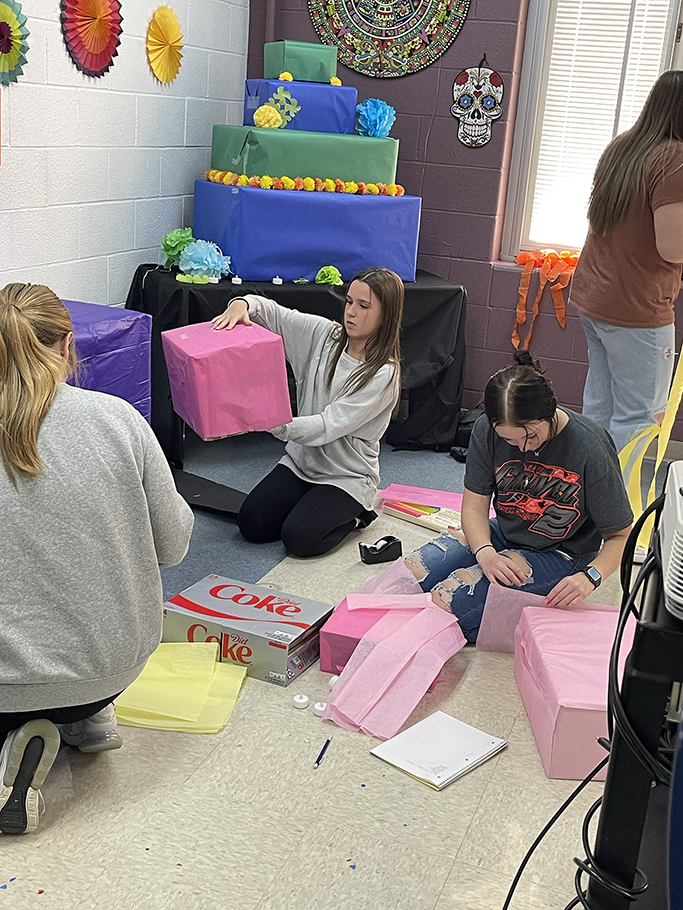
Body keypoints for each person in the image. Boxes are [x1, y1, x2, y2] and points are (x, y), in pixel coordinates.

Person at [0, 283, 194, 835]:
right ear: (67, 348)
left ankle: (21, 734)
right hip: (112, 668)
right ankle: (84, 716)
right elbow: (174, 545)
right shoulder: (119, 419)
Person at [404, 352, 633, 641]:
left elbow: (622, 536)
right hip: (506, 531)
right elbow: (474, 508)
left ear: (549, 413)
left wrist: (590, 577)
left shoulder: (590, 446)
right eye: (510, 440)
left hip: (563, 552)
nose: (523, 448)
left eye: (531, 436)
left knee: (447, 600)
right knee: (410, 574)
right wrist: (486, 553)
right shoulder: (486, 430)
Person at [212, 267, 403, 557]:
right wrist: (241, 304)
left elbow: (327, 426)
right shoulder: (324, 335)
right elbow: (272, 312)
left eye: (364, 306)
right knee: (252, 524)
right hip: (301, 463)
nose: (351, 312)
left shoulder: (383, 375)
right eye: (349, 301)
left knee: (300, 539)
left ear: (386, 315)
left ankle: (358, 516)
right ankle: (310, 502)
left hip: (346, 476)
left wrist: (276, 424)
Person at [570, 69, 683, 454]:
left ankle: (585, 502)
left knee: (599, 410)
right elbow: (673, 247)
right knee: (639, 419)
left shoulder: (623, 147)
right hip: (636, 310)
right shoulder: (674, 158)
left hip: (596, 299)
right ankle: (616, 511)